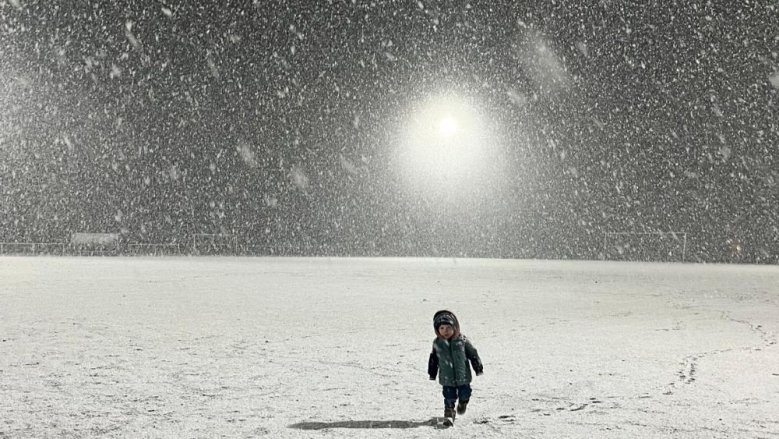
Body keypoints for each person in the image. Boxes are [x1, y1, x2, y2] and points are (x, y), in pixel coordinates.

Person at [428, 310, 483, 420]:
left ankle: (463, 403)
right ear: (437, 330)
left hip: (463, 377)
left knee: (465, 393)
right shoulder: (437, 343)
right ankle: (449, 413)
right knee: (449, 397)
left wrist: (477, 366)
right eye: (442, 328)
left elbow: (473, 353)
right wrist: (432, 372)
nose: (445, 331)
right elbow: (433, 359)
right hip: (447, 378)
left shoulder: (462, 341)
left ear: (455, 327)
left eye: (448, 328)